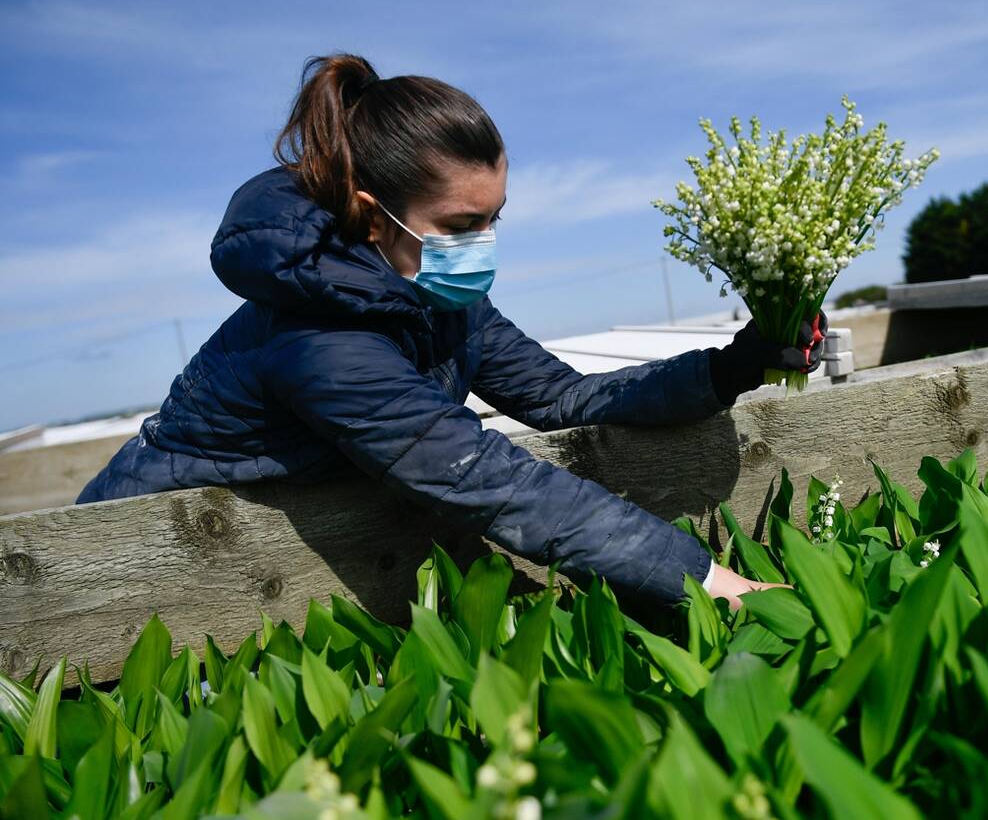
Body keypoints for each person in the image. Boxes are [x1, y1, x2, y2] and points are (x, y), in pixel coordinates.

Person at [76, 53, 828, 610]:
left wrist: (739, 364)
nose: (485, 243)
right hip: (125, 572)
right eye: (464, 225)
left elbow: (565, 398)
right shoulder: (318, 344)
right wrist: (712, 582)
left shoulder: (437, 298)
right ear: (374, 216)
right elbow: (502, 487)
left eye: (494, 219)